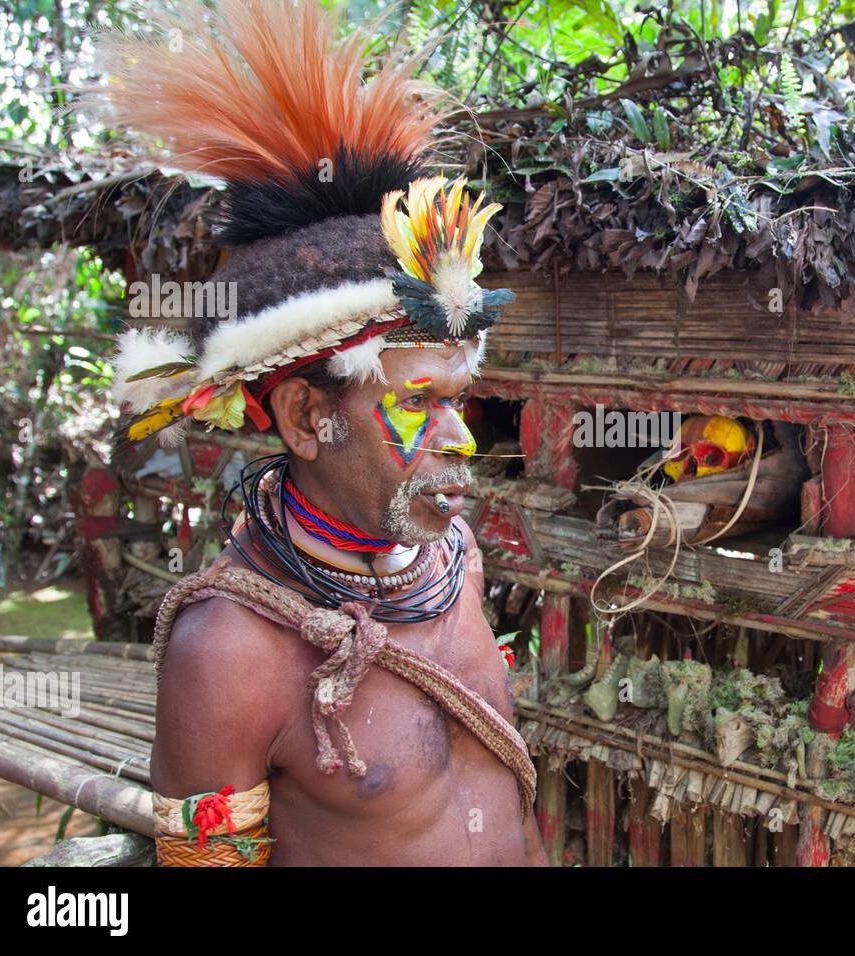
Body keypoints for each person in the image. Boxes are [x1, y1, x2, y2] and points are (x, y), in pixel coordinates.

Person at [100, 0, 543, 865]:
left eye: (463, 399)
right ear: (308, 417)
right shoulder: (228, 652)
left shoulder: (456, 567)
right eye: (417, 403)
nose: (459, 438)